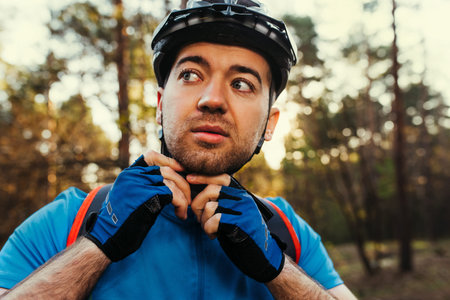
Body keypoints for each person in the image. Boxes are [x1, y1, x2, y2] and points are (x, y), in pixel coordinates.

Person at [0, 0, 357, 299]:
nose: (212, 99)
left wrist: (279, 270)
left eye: (242, 83)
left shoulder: (287, 232)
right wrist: (95, 245)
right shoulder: (69, 220)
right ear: (158, 104)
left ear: (270, 123)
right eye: (190, 75)